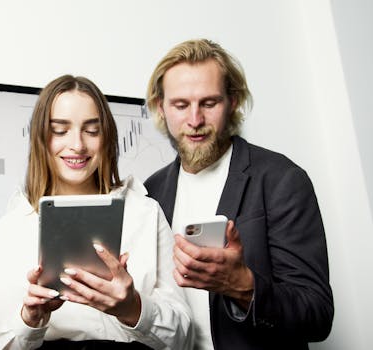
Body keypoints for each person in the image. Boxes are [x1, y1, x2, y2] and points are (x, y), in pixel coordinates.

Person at [143, 38, 334, 349]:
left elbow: (317, 315)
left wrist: (242, 286)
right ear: (160, 108)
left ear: (232, 102)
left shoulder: (281, 180)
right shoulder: (150, 192)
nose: (195, 121)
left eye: (209, 102)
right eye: (180, 105)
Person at [0, 74, 192, 349]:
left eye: (91, 131)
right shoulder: (12, 226)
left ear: (107, 138)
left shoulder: (145, 213)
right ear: (41, 138)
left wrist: (132, 308)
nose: (77, 145)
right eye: (60, 130)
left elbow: (183, 338)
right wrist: (29, 320)